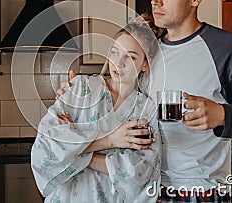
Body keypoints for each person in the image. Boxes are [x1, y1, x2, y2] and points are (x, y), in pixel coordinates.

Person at [59, 0, 232, 202]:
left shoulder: (227, 48)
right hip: (142, 187)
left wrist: (221, 115)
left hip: (197, 192)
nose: (155, 1)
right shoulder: (147, 52)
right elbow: (117, 99)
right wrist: (76, 97)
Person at [31, 20, 162, 203]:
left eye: (130, 57)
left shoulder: (146, 110)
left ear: (145, 64)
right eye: (115, 53)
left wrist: (77, 149)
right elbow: (45, 148)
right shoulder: (81, 88)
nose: (118, 63)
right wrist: (111, 140)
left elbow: (141, 173)